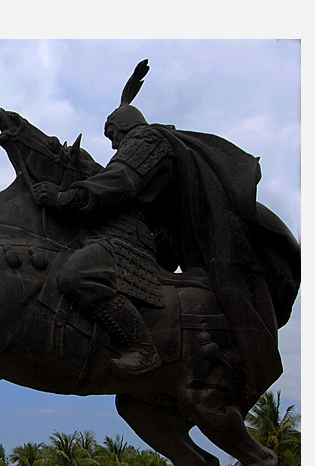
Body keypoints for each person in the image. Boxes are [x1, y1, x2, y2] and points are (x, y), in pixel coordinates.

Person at [34, 59, 298, 393]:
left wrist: (61, 199)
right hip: (144, 233)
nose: (113, 144)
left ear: (126, 127)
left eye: (113, 135)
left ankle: (144, 349)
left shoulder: (148, 141)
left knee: (77, 275)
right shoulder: (139, 141)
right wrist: (127, 97)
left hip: (147, 241)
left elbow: (119, 182)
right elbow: (116, 170)